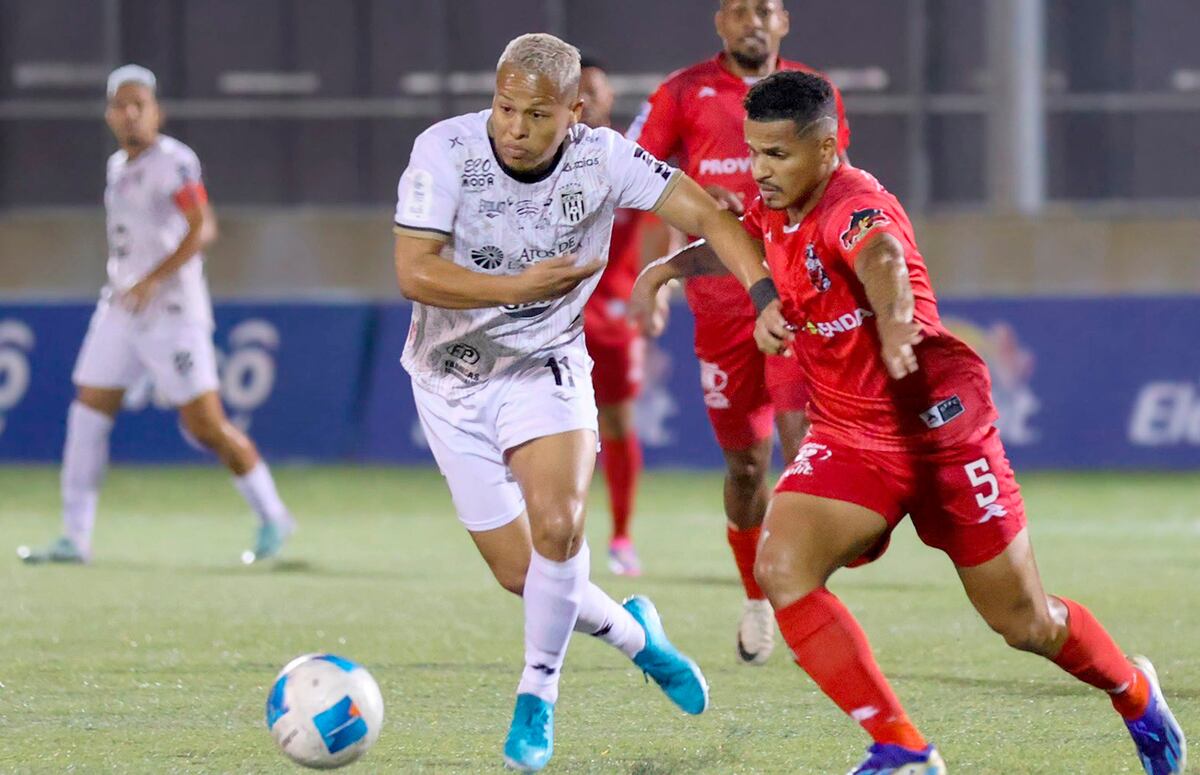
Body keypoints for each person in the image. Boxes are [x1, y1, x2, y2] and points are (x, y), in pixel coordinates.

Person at [630, 71, 1186, 775]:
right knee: (782, 566)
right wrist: (665, 270)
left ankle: (1134, 693)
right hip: (851, 436)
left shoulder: (855, 206)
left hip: (942, 438)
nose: (759, 170)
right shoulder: (776, 203)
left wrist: (895, 325)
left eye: (777, 155)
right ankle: (901, 747)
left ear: (828, 148)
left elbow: (883, 259)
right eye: (754, 152)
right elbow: (740, 235)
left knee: (1026, 622)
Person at [392, 33, 768, 772]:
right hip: (448, 380)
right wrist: (517, 288)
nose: (516, 128)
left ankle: (538, 694)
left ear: (577, 111)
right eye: (505, 108)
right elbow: (413, 271)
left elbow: (714, 216)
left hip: (545, 368)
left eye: (537, 114)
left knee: (559, 529)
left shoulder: (604, 159)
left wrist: (761, 293)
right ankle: (636, 636)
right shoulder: (444, 149)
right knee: (518, 573)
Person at [627, 0, 849, 664]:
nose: (752, 20)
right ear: (718, 22)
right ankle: (758, 592)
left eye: (766, 8)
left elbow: (837, 188)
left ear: (786, 22)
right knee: (747, 464)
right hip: (719, 309)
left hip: (793, 301)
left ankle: (799, 589)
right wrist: (660, 267)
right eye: (738, 8)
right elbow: (637, 177)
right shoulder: (681, 93)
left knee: (801, 443)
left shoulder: (814, 94)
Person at [17, 65, 294, 566]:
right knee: (87, 412)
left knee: (206, 426)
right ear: (108, 114)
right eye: (120, 106)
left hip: (172, 312)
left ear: (155, 111)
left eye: (138, 104)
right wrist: (131, 284)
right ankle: (74, 539)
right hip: (121, 308)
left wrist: (152, 279)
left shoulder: (174, 162)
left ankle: (273, 515)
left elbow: (202, 227)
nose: (129, 114)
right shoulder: (117, 167)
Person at [577, 55, 670, 576]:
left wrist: (655, 286)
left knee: (615, 420)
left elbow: (663, 217)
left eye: (597, 89)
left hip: (611, 313)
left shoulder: (629, 157)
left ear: (610, 97)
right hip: (554, 307)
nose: (589, 99)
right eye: (580, 90)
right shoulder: (543, 158)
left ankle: (620, 537)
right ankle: (550, 531)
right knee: (546, 421)